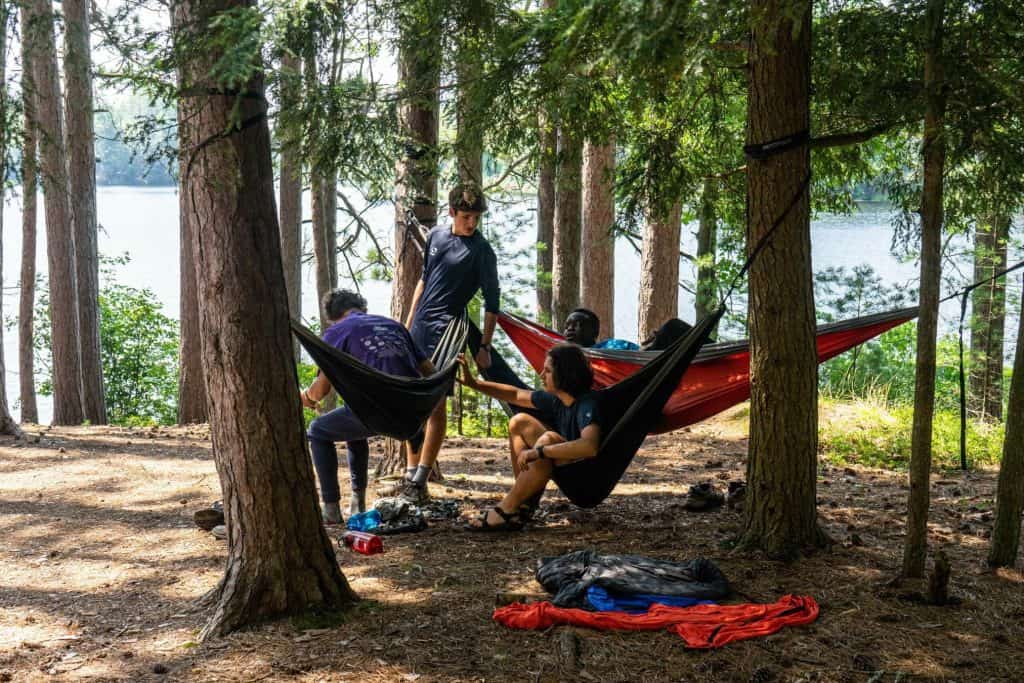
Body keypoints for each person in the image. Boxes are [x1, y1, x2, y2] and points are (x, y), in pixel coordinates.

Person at [395, 181, 500, 502]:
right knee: (411, 401)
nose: (472, 222)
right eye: (467, 216)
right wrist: (408, 323)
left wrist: (484, 346)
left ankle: (422, 475)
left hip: (451, 329)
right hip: (420, 327)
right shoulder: (437, 237)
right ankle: (411, 477)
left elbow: (492, 303)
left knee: (435, 400)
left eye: (477, 217)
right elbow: (423, 280)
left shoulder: (482, 252)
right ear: (452, 212)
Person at [301, 289, 443, 523]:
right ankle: (358, 503)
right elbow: (431, 373)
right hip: (411, 415)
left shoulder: (337, 331)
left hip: (377, 413)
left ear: (333, 316)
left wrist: (306, 397)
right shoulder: (395, 326)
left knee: (317, 431)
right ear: (362, 308)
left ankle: (331, 508)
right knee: (353, 424)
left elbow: (321, 390)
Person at [457, 344, 605, 531]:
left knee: (548, 438)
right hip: (565, 466)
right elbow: (516, 394)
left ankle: (506, 509)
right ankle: (523, 506)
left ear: (566, 374)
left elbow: (589, 446)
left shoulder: (586, 404)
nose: (542, 375)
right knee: (519, 422)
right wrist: (473, 383)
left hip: (583, 481)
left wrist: (540, 451)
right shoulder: (557, 400)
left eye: (548, 371)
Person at [563, 308, 693, 352]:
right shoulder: (561, 363)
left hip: (647, 367)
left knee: (673, 326)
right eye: (567, 326)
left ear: (594, 333)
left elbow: (637, 355)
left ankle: (713, 357)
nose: (570, 329)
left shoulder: (608, 346)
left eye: (577, 324)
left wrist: (658, 340)